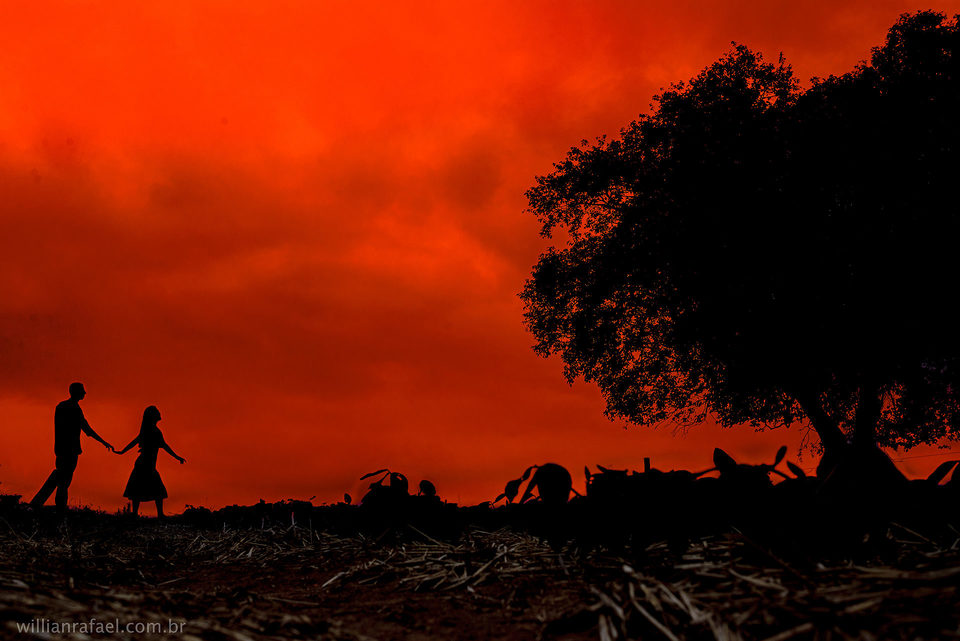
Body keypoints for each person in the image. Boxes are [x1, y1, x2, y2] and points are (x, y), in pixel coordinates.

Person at [31, 382, 114, 516]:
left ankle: (42, 503)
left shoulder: (61, 406)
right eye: (82, 391)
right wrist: (104, 442)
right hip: (71, 450)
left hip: (60, 449)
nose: (84, 393)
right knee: (64, 480)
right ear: (77, 392)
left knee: (60, 476)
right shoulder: (74, 408)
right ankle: (58, 508)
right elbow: (87, 429)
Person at [115, 405, 185, 518]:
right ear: (153, 416)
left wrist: (177, 457)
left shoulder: (149, 430)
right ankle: (156, 514)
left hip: (145, 463)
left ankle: (139, 513)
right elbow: (164, 446)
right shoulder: (154, 431)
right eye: (157, 412)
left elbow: (137, 441)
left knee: (142, 488)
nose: (159, 414)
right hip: (145, 464)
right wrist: (177, 457)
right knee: (154, 489)